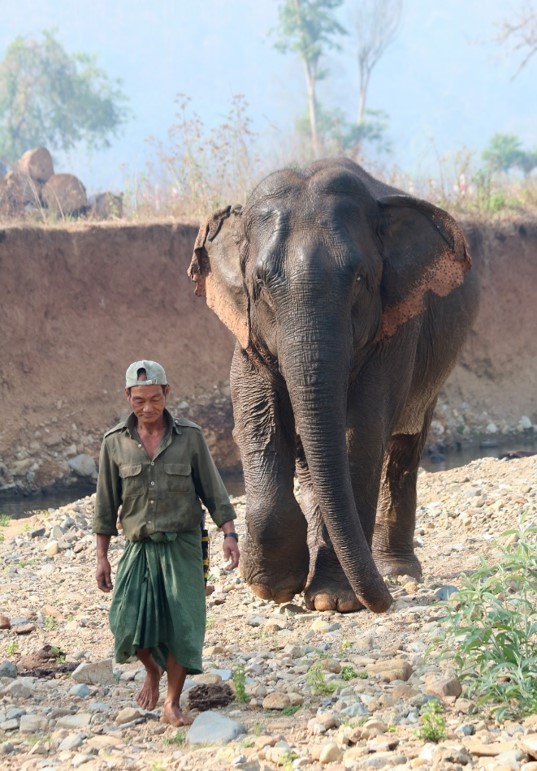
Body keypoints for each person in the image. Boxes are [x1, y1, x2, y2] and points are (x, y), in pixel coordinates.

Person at [93, 360, 240, 727]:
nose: (147, 407)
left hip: (184, 545)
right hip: (139, 547)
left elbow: (213, 489)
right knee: (126, 624)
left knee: (183, 625)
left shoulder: (189, 437)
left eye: (155, 399)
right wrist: (102, 557)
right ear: (128, 396)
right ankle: (152, 669)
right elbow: (105, 506)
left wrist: (229, 534)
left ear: (167, 394)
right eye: (139, 399)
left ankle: (172, 702)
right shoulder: (114, 443)